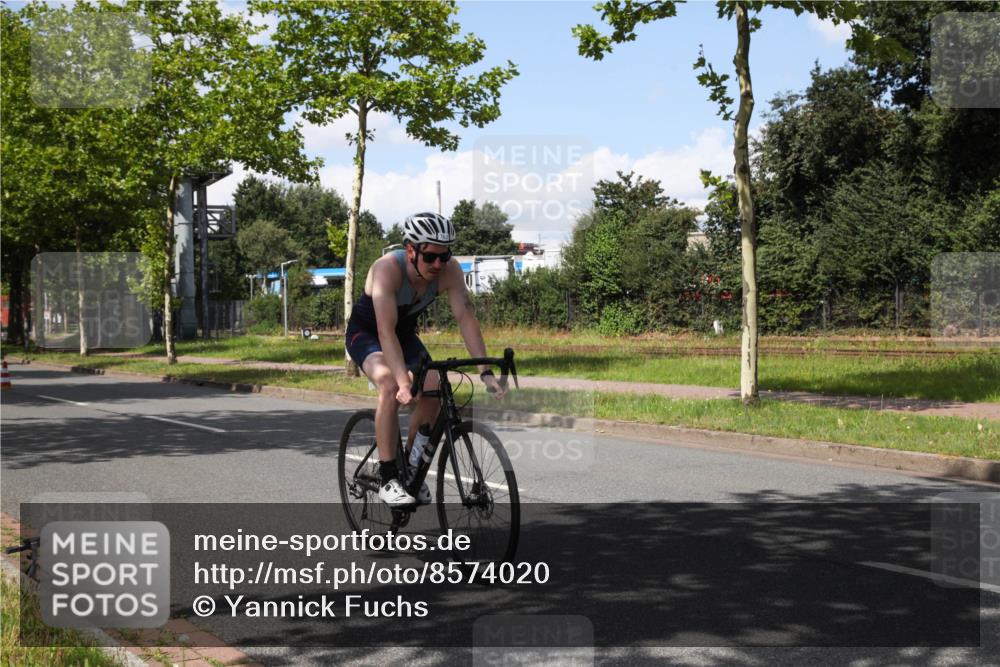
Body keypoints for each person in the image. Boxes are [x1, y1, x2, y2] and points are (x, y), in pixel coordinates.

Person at [345, 212, 507, 507]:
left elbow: (466, 317)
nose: (437, 264)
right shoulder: (386, 270)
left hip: (404, 335)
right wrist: (402, 381)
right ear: (411, 250)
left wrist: (485, 372)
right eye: (430, 256)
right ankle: (389, 476)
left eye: (444, 256)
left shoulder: (450, 271)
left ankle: (410, 468)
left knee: (433, 389)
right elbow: (384, 331)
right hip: (368, 334)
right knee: (387, 384)